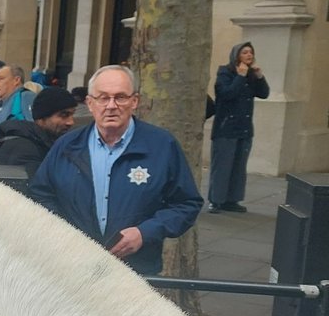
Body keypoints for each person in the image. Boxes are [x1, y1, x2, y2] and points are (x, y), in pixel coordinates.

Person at [28, 65, 203, 276]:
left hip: (136, 271)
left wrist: (145, 233)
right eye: (103, 98)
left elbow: (186, 204)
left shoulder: (162, 146)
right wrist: (64, 234)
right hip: (74, 268)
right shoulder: (67, 146)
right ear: (90, 104)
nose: (111, 106)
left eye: (120, 97)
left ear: (134, 102)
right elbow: (40, 195)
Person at [208, 41, 269, 214]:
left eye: (250, 52)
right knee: (223, 165)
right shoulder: (225, 73)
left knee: (238, 167)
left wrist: (259, 77)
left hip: (244, 128)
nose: (249, 55)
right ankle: (216, 200)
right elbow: (226, 94)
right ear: (236, 56)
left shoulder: (251, 75)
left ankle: (232, 199)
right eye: (244, 53)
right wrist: (240, 77)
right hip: (226, 127)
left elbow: (264, 93)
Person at [0, 86, 78, 177]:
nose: (71, 122)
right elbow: (36, 187)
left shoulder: (43, 142)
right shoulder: (24, 149)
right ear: (42, 117)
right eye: (64, 115)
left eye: (72, 114)